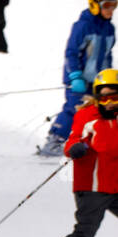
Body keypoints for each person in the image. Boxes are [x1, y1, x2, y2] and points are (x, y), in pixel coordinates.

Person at [39, 69, 118, 237]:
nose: (110, 102)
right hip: (92, 187)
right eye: (105, 97)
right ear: (96, 97)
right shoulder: (88, 116)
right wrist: (75, 148)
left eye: (115, 96)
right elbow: (72, 140)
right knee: (85, 233)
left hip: (114, 185)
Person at [39, 1, 115, 157]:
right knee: (74, 109)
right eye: (107, 5)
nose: (111, 10)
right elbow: (71, 52)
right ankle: (54, 141)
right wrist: (75, 76)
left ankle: (89, 141)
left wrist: (109, 77)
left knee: (97, 111)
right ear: (95, 6)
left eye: (115, 5)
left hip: (98, 82)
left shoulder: (110, 28)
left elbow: (108, 54)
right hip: (78, 79)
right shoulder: (82, 26)